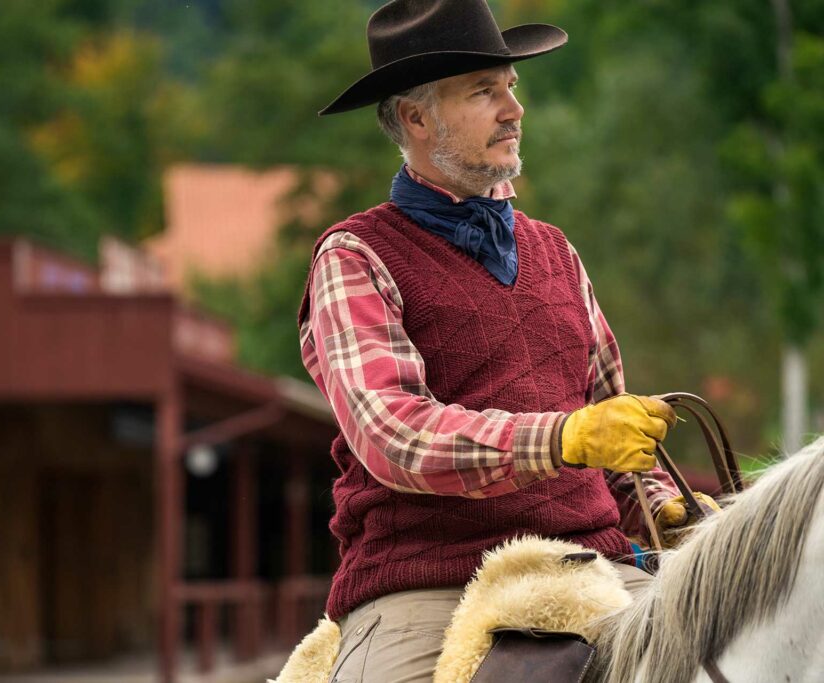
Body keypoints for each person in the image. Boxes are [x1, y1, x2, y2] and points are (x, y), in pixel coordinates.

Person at [295, 1, 718, 680]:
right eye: (483, 92)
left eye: (510, 87)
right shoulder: (354, 256)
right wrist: (563, 439)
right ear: (416, 118)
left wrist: (664, 506)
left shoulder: (558, 251)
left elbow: (611, 430)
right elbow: (394, 435)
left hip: (594, 563)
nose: (513, 108)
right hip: (425, 586)